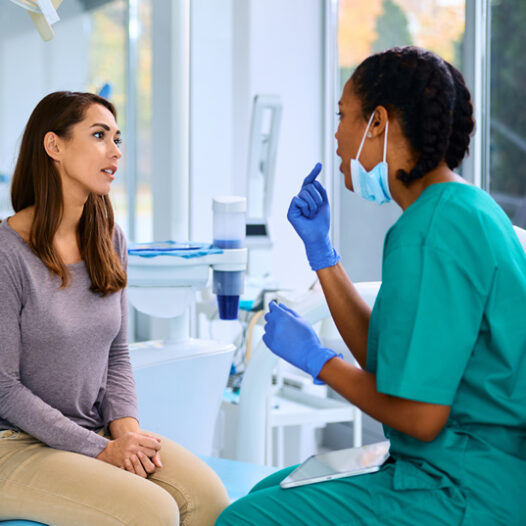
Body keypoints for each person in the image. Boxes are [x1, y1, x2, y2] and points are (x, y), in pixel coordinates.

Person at [216, 46, 526, 525]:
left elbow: (421, 416)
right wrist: (322, 254)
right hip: (468, 468)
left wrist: (319, 360)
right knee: (265, 489)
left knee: (243, 519)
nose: (338, 136)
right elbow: (396, 365)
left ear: (377, 123)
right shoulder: (465, 209)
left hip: (463, 488)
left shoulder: (430, 232)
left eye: (343, 116)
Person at [0, 91, 229, 526]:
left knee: (209, 499)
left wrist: (124, 429)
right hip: (12, 444)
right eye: (100, 135)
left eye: (118, 139)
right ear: (54, 146)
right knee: (152, 512)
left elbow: (117, 354)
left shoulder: (108, 237)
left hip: (91, 429)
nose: (116, 152)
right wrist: (101, 450)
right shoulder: (6, 253)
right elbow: (3, 387)